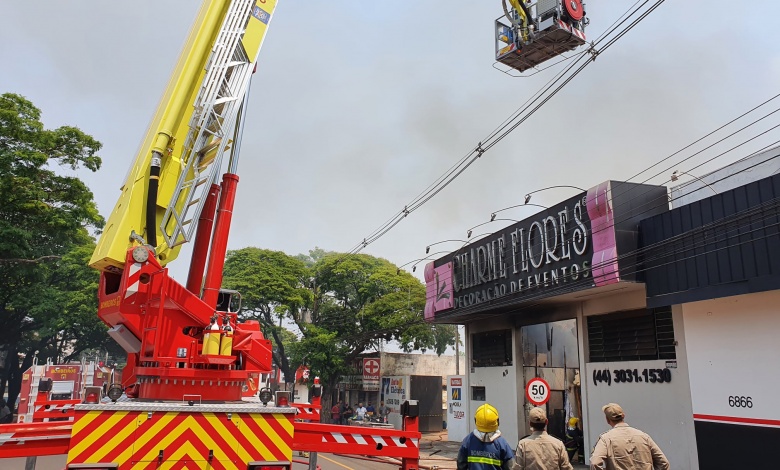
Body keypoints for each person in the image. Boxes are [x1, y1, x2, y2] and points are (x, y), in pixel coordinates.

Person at [590, 403, 670, 470]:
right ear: (623, 416)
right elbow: (663, 463)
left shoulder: (606, 439)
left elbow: (595, 463)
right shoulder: (643, 436)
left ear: (607, 419)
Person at [457, 403, 515, 470]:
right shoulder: (502, 443)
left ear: (476, 420)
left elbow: (461, 464)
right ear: (497, 421)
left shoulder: (468, 441)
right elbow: (511, 466)